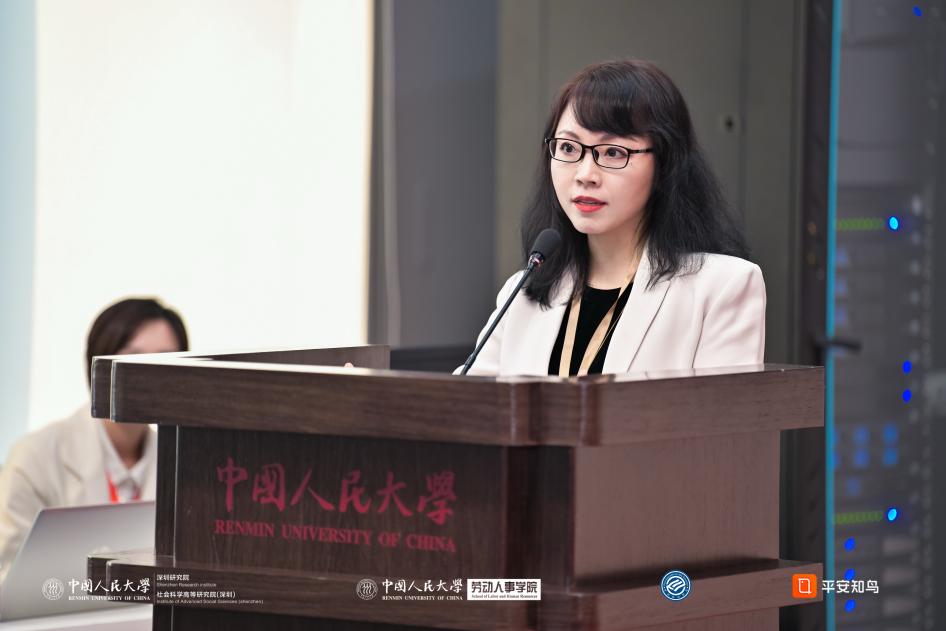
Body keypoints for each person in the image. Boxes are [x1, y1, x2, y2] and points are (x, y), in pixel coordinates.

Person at [463, 60, 765, 377]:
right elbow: (468, 400)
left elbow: (723, 410)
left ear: (665, 164)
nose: (585, 174)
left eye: (613, 152)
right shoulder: (522, 292)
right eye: (568, 148)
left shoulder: (722, 288)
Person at [0, 298, 188, 580]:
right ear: (98, 370)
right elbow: (8, 577)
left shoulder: (183, 466)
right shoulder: (34, 458)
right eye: (132, 360)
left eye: (165, 361)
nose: (149, 376)